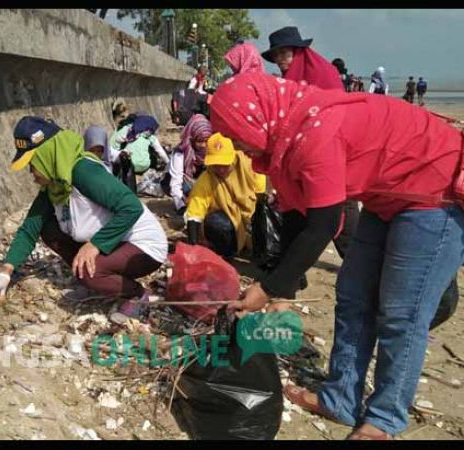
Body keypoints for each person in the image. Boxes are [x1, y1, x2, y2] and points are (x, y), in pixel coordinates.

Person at [210, 72, 464, 440]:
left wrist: (267, 290)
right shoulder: (285, 143)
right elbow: (299, 218)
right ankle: (341, 398)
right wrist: (276, 290)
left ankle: (384, 419)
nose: (236, 146)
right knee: (352, 296)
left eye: (236, 134)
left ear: (256, 116)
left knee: (401, 313)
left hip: (433, 191)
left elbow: (324, 225)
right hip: (385, 193)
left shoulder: (315, 133)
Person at [0, 116, 168, 325]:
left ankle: (137, 295)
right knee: (49, 228)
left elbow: (130, 208)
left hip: (142, 246)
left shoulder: (83, 171)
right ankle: (97, 278)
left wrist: (96, 245)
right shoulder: (55, 184)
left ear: (47, 156)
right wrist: (6, 271)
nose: (31, 173)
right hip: (114, 242)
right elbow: (30, 227)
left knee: (89, 273)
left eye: (33, 164)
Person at [262, 26, 359, 262]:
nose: (280, 60)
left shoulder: (322, 76)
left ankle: (359, 268)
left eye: (285, 53)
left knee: (338, 217)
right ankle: (289, 278)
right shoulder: (289, 80)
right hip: (302, 161)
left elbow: (335, 119)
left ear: (299, 51)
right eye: (276, 56)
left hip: (332, 159)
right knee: (297, 218)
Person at [185, 133, 266, 261]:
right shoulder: (206, 179)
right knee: (216, 223)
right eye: (217, 165)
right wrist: (192, 248)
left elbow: (262, 196)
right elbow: (194, 215)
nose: (221, 170)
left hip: (251, 219)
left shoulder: (249, 165)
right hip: (228, 224)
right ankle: (228, 253)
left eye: (225, 164)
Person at [261, 26, 343, 91]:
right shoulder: (287, 79)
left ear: (297, 51)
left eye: (283, 52)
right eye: (275, 55)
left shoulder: (320, 73)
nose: (278, 58)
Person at [162, 114, 213, 215]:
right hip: (181, 183)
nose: (203, 145)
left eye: (206, 141)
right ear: (192, 138)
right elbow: (175, 183)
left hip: (199, 182)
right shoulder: (180, 152)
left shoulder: (212, 149)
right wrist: (181, 206)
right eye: (199, 141)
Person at [110, 114, 170, 192]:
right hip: (145, 166)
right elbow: (160, 152)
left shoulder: (129, 132)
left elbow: (114, 143)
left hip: (130, 165)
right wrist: (169, 163)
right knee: (150, 152)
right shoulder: (150, 137)